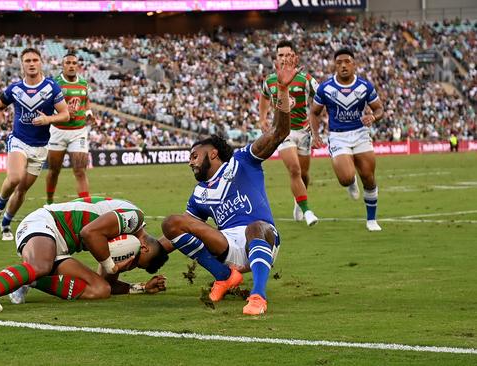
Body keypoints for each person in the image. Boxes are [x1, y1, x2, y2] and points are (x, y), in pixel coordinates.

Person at [160, 54, 299, 316]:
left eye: (194, 156)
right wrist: (143, 250)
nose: (190, 163)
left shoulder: (244, 160)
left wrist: (281, 90)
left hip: (262, 238)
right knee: (171, 223)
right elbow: (177, 235)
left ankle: (258, 295)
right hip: (228, 246)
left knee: (255, 227)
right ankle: (225, 276)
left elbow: (280, 132)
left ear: (212, 154)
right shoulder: (199, 194)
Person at [0, 196, 169, 313]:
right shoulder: (134, 218)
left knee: (100, 289)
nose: (130, 266)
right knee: (41, 265)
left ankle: (29, 281)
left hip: (60, 247)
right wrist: (110, 265)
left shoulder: (125, 242)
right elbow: (89, 232)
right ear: (144, 247)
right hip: (45, 222)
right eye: (136, 263)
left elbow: (109, 284)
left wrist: (140, 288)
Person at [0, 48, 70, 241]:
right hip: (19, 140)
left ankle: (6, 223)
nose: (31, 63)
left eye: (35, 60)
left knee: (22, 189)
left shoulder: (51, 87)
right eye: (27, 60)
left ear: (41, 63)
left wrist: (48, 119)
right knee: (14, 178)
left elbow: (65, 114)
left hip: (40, 147)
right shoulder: (14, 89)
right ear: (22, 64)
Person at [310, 48, 385, 232]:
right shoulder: (325, 88)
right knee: (345, 178)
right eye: (339, 62)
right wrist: (316, 134)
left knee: (368, 177)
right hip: (338, 136)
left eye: (347, 61)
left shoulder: (365, 86)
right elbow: (314, 112)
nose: (343, 65)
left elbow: (379, 109)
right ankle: (350, 182)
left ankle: (371, 220)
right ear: (335, 65)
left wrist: (373, 117)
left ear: (354, 64)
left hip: (360, 134)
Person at [259, 40, 319, 226]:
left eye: (287, 55)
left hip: (303, 131)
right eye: (280, 55)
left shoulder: (305, 79)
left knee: (304, 174)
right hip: (283, 131)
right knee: (294, 169)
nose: (284, 58)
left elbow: (321, 97)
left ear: (294, 56)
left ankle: (298, 201)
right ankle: (308, 211)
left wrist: (314, 120)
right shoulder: (270, 80)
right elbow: (264, 97)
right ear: (276, 58)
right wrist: (263, 118)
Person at [45, 53, 94, 204]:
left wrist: (88, 113)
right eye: (68, 63)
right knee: (54, 171)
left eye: (74, 63)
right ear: (63, 65)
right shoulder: (54, 84)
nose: (72, 65)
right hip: (58, 131)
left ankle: (87, 207)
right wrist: (63, 112)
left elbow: (86, 102)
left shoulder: (84, 84)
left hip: (78, 132)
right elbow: (46, 107)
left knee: (80, 171)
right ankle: (49, 201)